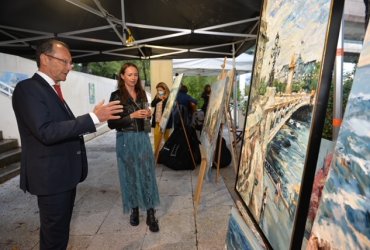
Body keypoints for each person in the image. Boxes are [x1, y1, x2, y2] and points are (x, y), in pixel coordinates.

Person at [12, 39, 123, 250]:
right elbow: (46, 131)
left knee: (58, 235)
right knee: (54, 238)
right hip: (51, 179)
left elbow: (60, 126)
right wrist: (92, 118)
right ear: (45, 59)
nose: (70, 67)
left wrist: (91, 118)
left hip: (62, 176)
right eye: (65, 62)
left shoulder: (50, 89)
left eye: (71, 63)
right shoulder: (28, 89)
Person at [107, 63, 160, 232]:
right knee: (130, 175)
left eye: (135, 74)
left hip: (142, 138)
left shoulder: (142, 93)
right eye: (129, 74)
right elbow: (111, 123)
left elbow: (145, 121)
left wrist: (148, 115)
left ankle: (151, 213)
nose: (133, 77)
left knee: (147, 174)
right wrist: (132, 116)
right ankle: (134, 210)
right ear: (122, 76)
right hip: (125, 140)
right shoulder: (116, 96)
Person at [151, 82, 172, 156]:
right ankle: (156, 153)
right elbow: (152, 104)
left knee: (167, 137)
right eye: (158, 90)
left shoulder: (170, 96)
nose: (159, 91)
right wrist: (158, 99)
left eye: (160, 90)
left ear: (165, 89)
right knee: (156, 136)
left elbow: (170, 108)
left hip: (166, 120)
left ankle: (168, 152)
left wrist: (164, 100)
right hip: (157, 120)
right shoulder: (157, 96)